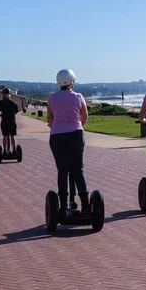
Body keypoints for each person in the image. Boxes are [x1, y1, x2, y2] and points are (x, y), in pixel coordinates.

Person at [47, 69, 90, 216]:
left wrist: (59, 127)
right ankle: (85, 205)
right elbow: (84, 115)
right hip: (76, 134)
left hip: (57, 136)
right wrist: (78, 126)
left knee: (63, 171)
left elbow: (50, 120)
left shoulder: (52, 98)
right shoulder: (78, 96)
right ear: (72, 81)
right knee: (78, 170)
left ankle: (64, 207)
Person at [0, 88, 19, 154]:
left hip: (4, 121)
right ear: (9, 95)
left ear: (3, 95)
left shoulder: (1, 103)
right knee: (12, 136)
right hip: (12, 121)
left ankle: (5, 150)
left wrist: (1, 114)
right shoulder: (13, 103)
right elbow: (16, 111)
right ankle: (14, 150)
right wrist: (12, 115)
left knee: (5, 136)